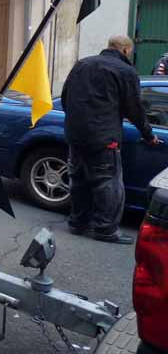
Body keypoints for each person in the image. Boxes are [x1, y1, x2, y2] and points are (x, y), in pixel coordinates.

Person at [61, 35, 161, 244]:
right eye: (131, 51)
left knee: (79, 180)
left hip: (76, 135)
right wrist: (149, 135)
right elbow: (135, 110)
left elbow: (65, 96)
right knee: (108, 183)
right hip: (104, 138)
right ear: (125, 50)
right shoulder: (125, 72)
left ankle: (77, 223)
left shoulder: (82, 64)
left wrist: (77, 122)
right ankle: (105, 230)